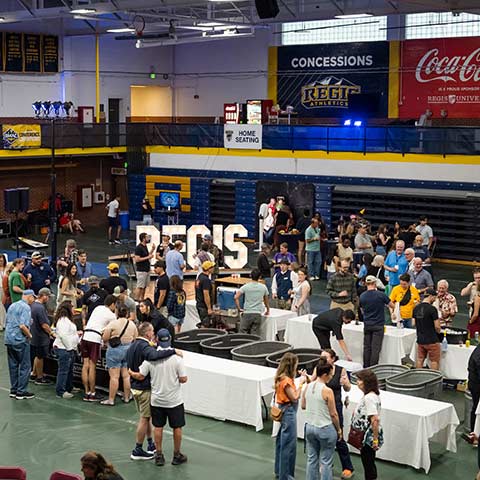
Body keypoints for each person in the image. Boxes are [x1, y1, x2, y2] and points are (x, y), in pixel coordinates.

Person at [131, 328, 188, 467]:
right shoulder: (177, 359)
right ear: (170, 339)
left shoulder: (150, 359)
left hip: (157, 400)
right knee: (177, 427)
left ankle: (159, 455)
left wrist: (130, 373)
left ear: (156, 339)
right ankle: (176, 454)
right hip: (174, 400)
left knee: (158, 427)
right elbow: (184, 379)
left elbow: (141, 375)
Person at [301, 357, 342, 480]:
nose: (331, 377)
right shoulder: (327, 391)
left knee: (311, 458)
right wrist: (339, 429)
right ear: (324, 375)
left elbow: (303, 405)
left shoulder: (308, 386)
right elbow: (334, 414)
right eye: (330, 374)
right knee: (326, 461)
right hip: (324, 428)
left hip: (310, 427)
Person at [274, 352, 307, 480]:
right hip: (288, 413)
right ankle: (286, 475)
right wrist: (301, 384)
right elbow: (294, 397)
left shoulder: (281, 378)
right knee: (288, 445)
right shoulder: (287, 381)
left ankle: (279, 470)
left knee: (281, 441)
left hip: (283, 410)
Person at [321, 349, 354, 479]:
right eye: (321, 358)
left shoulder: (341, 370)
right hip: (322, 406)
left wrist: (346, 383)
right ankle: (326, 463)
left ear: (333, 359)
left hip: (336, 407)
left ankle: (347, 467)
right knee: (323, 437)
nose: (322, 360)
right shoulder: (319, 369)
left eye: (325, 358)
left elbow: (348, 388)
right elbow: (312, 382)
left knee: (339, 438)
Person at [80, 295, 117, 402]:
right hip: (95, 338)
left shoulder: (97, 308)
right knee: (92, 366)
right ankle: (92, 393)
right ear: (113, 304)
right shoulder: (112, 316)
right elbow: (109, 331)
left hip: (85, 336)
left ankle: (86, 392)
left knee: (85, 365)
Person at [101, 304, 138, 406]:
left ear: (117, 312)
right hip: (128, 350)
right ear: (127, 314)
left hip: (114, 351)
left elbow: (105, 338)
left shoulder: (113, 324)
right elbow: (135, 338)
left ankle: (111, 399)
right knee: (126, 376)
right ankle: (127, 397)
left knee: (114, 377)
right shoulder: (132, 324)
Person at [350, 369, 383, 480]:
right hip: (367, 436)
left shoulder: (369, 398)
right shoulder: (370, 396)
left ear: (367, 382)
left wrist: (374, 439)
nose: (358, 382)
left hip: (367, 437)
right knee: (369, 463)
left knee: (368, 463)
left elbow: (374, 420)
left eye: (360, 380)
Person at [4, 290, 36, 399]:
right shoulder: (26, 308)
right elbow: (22, 326)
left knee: (13, 366)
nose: (33, 300)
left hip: (9, 339)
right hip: (20, 340)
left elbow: (8, 321)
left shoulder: (13, 305)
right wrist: (30, 335)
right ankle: (21, 391)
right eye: (33, 298)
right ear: (29, 296)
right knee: (25, 366)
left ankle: (13, 390)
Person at [360, 276, 395, 367]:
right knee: (375, 349)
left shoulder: (362, 296)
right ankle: (373, 368)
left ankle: (366, 367)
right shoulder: (381, 295)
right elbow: (392, 305)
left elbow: (362, 310)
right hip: (378, 325)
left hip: (367, 324)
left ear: (366, 284)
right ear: (375, 283)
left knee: (367, 347)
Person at [53, 301, 81, 399]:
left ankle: (69, 387)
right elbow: (63, 335)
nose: (74, 309)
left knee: (69, 370)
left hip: (69, 349)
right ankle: (60, 391)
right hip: (64, 349)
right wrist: (69, 348)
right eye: (72, 307)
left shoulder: (67, 321)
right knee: (64, 370)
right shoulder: (63, 321)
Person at [412, 288, 441, 370]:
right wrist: (438, 332)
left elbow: (413, 323)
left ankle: (418, 377)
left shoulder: (416, 308)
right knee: (434, 361)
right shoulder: (432, 309)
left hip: (420, 339)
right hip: (432, 340)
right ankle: (433, 380)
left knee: (420, 359)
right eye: (435, 297)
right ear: (431, 296)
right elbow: (437, 326)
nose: (435, 300)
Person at [235, 268, 270, 336]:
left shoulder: (246, 286)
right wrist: (268, 310)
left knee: (242, 334)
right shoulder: (263, 287)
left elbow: (236, 297)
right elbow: (266, 301)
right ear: (259, 277)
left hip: (247, 313)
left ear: (250, 276)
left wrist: (239, 308)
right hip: (257, 314)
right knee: (255, 336)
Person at [30, 287, 54, 385]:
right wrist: (52, 333)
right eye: (48, 296)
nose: (48, 298)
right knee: (40, 357)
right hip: (40, 337)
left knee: (36, 356)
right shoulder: (40, 308)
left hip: (34, 336)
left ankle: (34, 373)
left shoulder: (33, 305)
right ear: (43, 296)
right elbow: (44, 325)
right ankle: (40, 378)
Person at [134, 232, 155, 301]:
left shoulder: (144, 246)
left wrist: (152, 250)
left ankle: (142, 299)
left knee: (144, 286)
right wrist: (148, 257)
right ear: (143, 239)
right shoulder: (138, 248)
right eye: (147, 237)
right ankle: (136, 299)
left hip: (146, 269)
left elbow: (147, 255)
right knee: (140, 286)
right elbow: (137, 259)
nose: (148, 239)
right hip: (141, 270)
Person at [195, 261, 214, 328]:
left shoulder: (200, 277)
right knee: (205, 325)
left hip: (199, 303)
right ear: (209, 269)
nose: (213, 268)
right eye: (212, 267)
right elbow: (206, 294)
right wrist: (209, 308)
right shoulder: (206, 280)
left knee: (204, 322)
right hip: (204, 306)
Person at [468, 343, 480, 433]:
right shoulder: (478, 354)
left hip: (475, 381)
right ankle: (474, 434)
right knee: (477, 408)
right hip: (476, 385)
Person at [0, 254, 7, 330]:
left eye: (2, 261)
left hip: (5, 288)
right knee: (1, 306)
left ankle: (2, 323)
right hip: (0, 288)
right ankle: (3, 323)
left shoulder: (7, 268)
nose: (0, 262)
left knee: (2, 305)